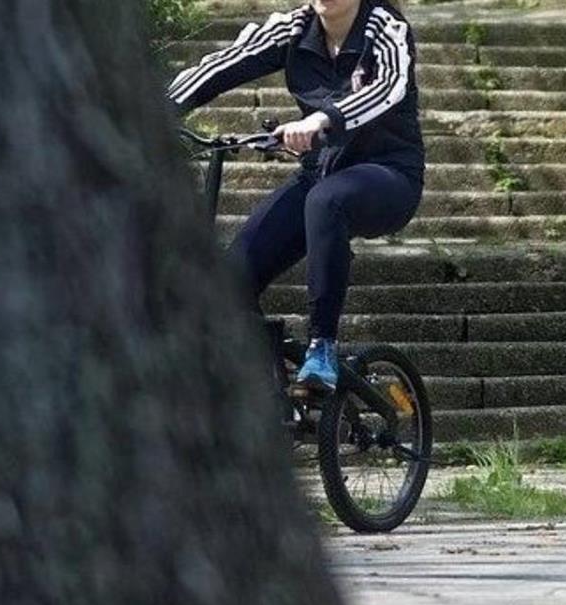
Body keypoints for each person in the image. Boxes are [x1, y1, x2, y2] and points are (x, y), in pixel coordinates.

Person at [168, 0, 425, 391]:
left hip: (388, 175)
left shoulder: (386, 29)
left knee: (326, 200)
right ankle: (266, 387)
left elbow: (389, 89)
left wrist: (322, 119)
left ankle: (322, 344)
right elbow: (222, 66)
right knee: (229, 281)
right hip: (319, 174)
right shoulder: (293, 29)